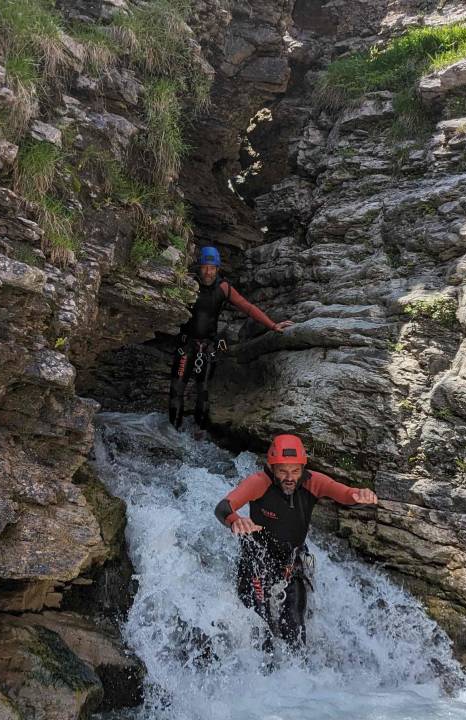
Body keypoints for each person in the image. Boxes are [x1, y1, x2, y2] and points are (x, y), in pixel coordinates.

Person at [213, 434, 378, 653]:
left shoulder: (313, 482)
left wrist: (359, 494)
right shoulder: (259, 483)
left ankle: (297, 682)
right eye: (282, 471)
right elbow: (223, 508)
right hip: (256, 563)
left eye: (295, 471)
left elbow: (345, 493)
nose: (289, 477)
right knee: (261, 634)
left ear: (303, 468)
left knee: (295, 634)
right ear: (272, 468)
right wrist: (236, 521)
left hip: (291, 565)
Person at [169, 246, 292, 432]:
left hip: (208, 346)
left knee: (203, 391)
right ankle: (172, 434)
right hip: (186, 345)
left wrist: (273, 325)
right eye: (205, 267)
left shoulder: (223, 287)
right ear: (199, 267)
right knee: (177, 389)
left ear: (218, 269)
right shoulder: (189, 283)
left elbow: (247, 307)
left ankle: (198, 435)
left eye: (212, 268)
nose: (208, 272)